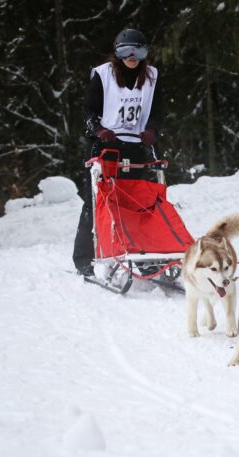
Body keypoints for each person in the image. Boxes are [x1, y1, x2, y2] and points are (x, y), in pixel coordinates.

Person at [73, 28, 160, 276]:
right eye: (126, 51)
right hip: (105, 147)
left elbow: (157, 110)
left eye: (138, 52)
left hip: (136, 146)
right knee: (96, 201)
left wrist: (152, 130)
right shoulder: (104, 75)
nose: (132, 57)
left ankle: (142, 256)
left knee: (137, 202)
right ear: (117, 53)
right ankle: (84, 258)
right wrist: (98, 129)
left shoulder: (152, 77)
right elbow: (89, 109)